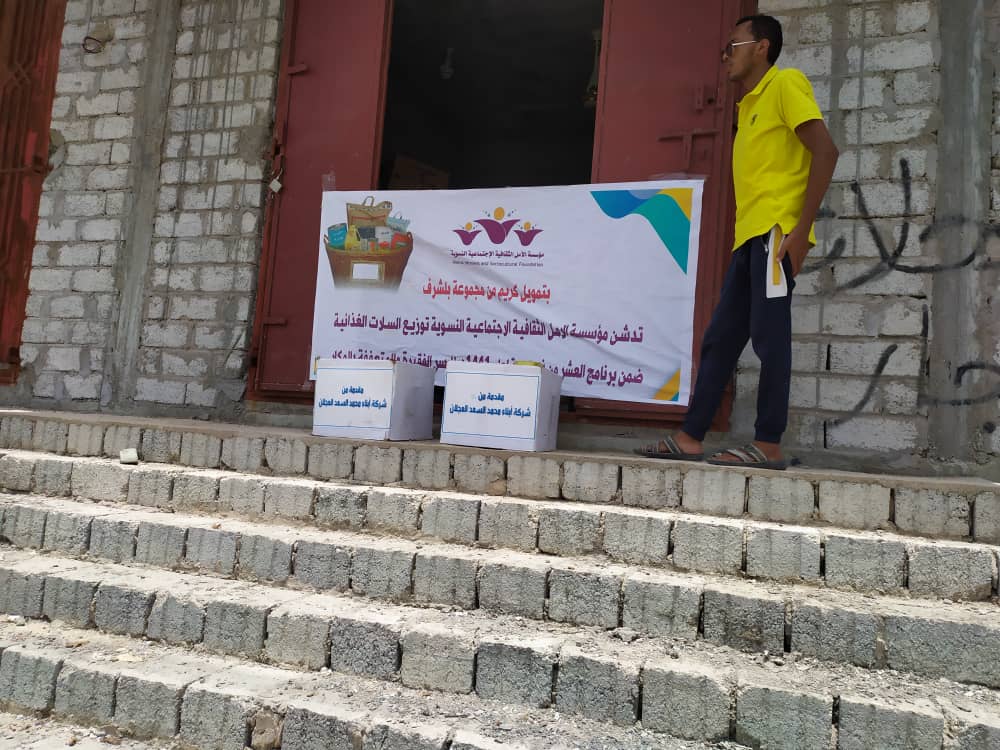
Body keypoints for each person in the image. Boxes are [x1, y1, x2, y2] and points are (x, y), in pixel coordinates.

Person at [636, 14, 839, 469]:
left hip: (775, 236)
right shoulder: (748, 108)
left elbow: (826, 152)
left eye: (733, 45)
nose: (725, 55)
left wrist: (800, 233)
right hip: (748, 239)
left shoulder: (785, 84)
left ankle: (768, 443)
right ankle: (690, 436)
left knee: (770, 337)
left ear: (761, 47)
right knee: (721, 339)